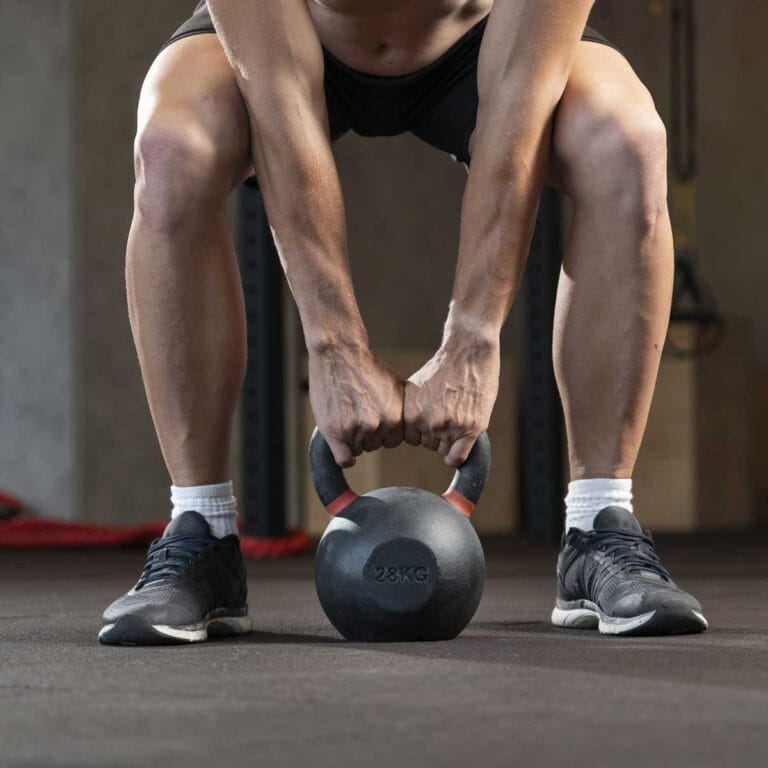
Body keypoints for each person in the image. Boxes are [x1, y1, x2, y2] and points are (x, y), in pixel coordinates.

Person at [99, 0, 707, 645]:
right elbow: (281, 103)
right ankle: (203, 534)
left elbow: (516, 104)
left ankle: (599, 527)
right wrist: (335, 348)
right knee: (171, 150)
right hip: (289, 44)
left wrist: (473, 338)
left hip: (481, 46)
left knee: (629, 145)